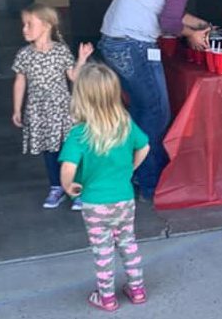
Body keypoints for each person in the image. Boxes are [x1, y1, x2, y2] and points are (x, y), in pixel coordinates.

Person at [98, 0, 221, 201]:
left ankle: (137, 176)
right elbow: (169, 24)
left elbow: (168, 13)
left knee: (142, 111)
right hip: (133, 44)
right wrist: (192, 35)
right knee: (155, 112)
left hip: (114, 41)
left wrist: (199, 24)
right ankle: (152, 183)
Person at [59, 63, 150, 312]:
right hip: (124, 199)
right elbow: (145, 146)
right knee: (128, 242)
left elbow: (67, 167)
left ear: (82, 97)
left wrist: (69, 185)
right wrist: (131, 168)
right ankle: (137, 289)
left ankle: (107, 297)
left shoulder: (79, 133)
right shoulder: (125, 124)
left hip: (95, 203)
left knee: (103, 250)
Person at [11, 3, 93, 209]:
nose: (24, 29)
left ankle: (75, 189)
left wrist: (82, 59)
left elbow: (73, 76)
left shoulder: (60, 51)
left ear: (47, 25)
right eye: (23, 25)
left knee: (69, 150)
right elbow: (20, 81)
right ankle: (56, 187)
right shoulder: (24, 54)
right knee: (49, 151)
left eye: (29, 24)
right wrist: (16, 109)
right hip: (38, 111)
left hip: (62, 110)